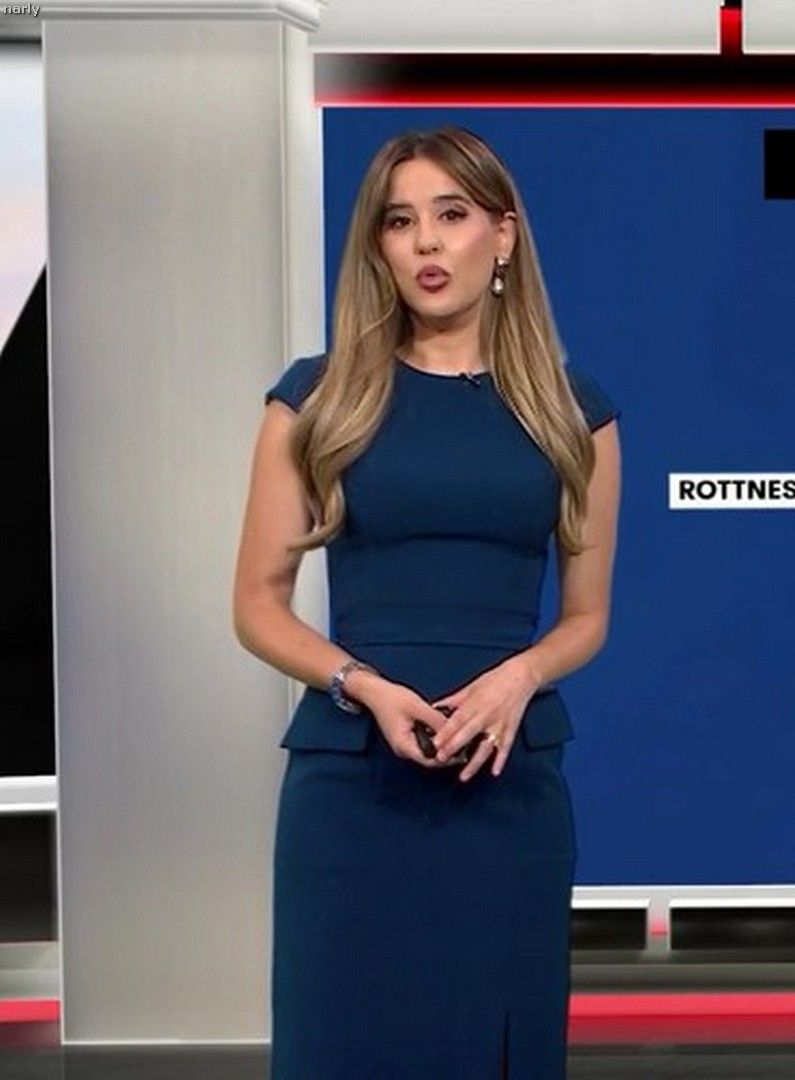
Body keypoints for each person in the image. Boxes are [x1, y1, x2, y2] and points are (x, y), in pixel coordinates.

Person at [231, 125, 621, 1078]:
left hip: (506, 780)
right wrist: (360, 685)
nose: (428, 243)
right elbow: (257, 606)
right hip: (352, 787)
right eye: (400, 222)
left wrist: (518, 679)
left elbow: (585, 618)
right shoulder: (316, 400)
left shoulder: (574, 414)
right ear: (378, 247)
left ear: (504, 235)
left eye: (452, 215)